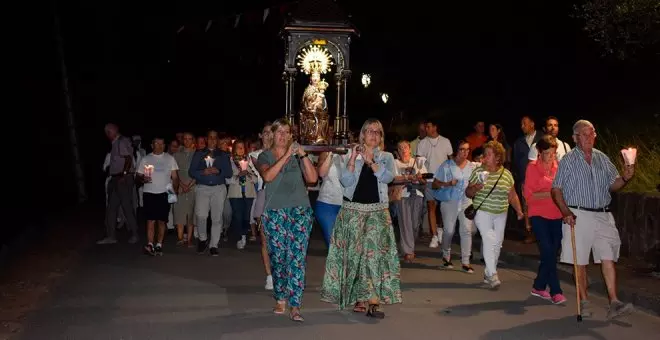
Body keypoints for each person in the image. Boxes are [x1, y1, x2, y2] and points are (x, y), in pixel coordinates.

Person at [551, 119, 635, 319]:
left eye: (592, 133)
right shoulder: (569, 160)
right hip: (578, 214)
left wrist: (624, 177)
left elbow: (612, 185)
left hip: (603, 213)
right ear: (575, 138)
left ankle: (614, 302)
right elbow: (556, 189)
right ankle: (585, 300)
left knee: (608, 256)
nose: (590, 137)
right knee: (579, 261)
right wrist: (565, 212)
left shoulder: (602, 158)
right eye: (585, 134)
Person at [321, 119, 402, 319]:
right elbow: (345, 181)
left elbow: (388, 179)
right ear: (362, 135)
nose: (374, 135)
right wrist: (353, 159)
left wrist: (371, 162)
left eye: (378, 132)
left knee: (375, 258)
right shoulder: (349, 154)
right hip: (353, 211)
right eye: (369, 131)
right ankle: (359, 297)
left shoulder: (387, 157)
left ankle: (374, 301)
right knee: (355, 258)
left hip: (377, 212)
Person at [256, 119, 318, 322]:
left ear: (291, 135)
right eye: (279, 132)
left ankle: (295, 304)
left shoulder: (298, 155)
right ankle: (280, 296)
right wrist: (286, 156)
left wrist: (304, 155)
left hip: (300, 210)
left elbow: (312, 179)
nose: (283, 135)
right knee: (279, 258)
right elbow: (267, 176)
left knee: (297, 259)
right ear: (272, 135)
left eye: (286, 132)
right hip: (275, 212)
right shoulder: (264, 155)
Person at [466, 141, 523, 288]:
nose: (485, 157)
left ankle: (488, 272)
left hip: (500, 213)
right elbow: (468, 192)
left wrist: (519, 210)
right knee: (489, 239)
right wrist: (476, 188)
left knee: (497, 243)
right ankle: (492, 274)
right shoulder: (478, 172)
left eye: (488, 154)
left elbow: (512, 195)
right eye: (484, 154)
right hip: (483, 210)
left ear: (497, 157)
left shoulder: (506, 175)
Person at [524, 135, 566, 304]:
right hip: (538, 214)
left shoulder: (559, 168)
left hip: (556, 214)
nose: (551, 156)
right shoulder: (532, 168)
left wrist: (549, 195)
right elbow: (529, 195)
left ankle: (539, 285)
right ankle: (556, 290)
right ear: (540, 153)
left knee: (552, 252)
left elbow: (564, 191)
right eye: (548, 153)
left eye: (554, 153)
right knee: (547, 249)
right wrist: (552, 193)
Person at [433, 140, 478, 272]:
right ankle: (446, 256)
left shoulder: (472, 166)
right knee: (449, 231)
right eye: (462, 149)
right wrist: (447, 183)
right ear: (456, 150)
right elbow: (434, 184)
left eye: (467, 150)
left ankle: (465, 262)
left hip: (466, 201)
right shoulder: (447, 165)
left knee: (466, 230)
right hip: (449, 201)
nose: (465, 152)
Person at [136, 138, 179, 256]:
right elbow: (138, 176)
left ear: (165, 145)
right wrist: (142, 178)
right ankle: (150, 244)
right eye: (156, 143)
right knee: (150, 220)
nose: (159, 146)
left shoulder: (170, 158)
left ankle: (159, 244)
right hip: (149, 192)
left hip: (164, 193)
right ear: (151, 145)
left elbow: (175, 177)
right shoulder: (146, 159)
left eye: (162, 144)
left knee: (162, 220)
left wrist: (174, 191)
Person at [392, 140, 427, 262]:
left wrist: (420, 178)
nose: (403, 150)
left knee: (415, 224)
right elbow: (393, 179)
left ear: (410, 149)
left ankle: (408, 245)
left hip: (417, 194)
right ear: (397, 152)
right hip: (403, 195)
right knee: (405, 223)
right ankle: (408, 251)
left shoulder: (417, 162)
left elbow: (425, 180)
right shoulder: (395, 163)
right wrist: (407, 177)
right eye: (400, 148)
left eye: (405, 148)